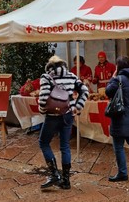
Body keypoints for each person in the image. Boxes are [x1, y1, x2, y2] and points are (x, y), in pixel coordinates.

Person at [38, 55, 89, 190]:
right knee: (65, 146)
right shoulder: (72, 76)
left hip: (52, 116)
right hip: (68, 115)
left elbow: (43, 99)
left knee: (43, 142)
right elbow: (85, 91)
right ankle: (66, 180)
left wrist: (42, 110)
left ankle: (54, 173)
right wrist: (77, 107)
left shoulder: (46, 77)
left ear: (49, 66)